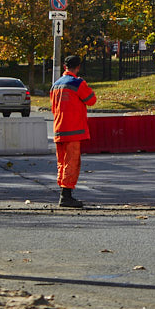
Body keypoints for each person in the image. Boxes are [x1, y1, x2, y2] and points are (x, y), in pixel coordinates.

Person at [50, 54, 96, 208]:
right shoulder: (78, 83)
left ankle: (64, 192)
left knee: (61, 163)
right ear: (78, 67)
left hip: (58, 129)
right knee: (72, 163)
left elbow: (53, 107)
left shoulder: (55, 85)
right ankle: (66, 196)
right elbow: (91, 100)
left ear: (64, 67)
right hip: (73, 130)